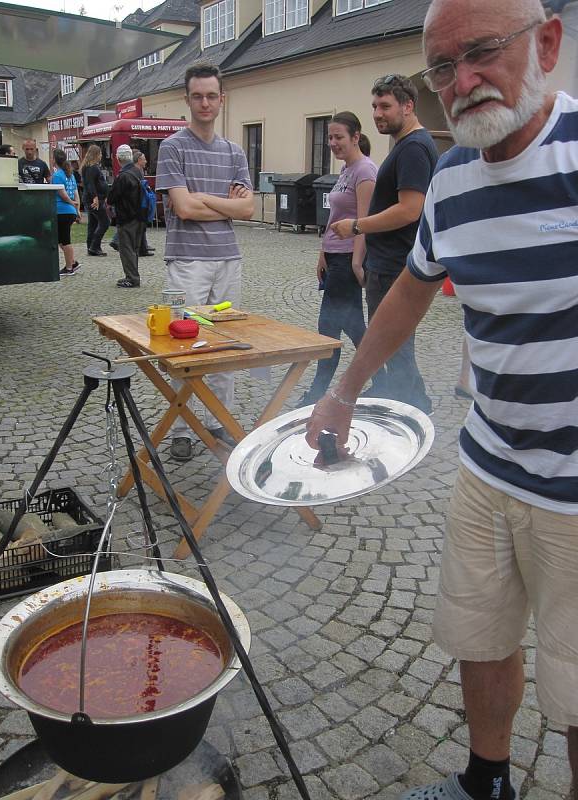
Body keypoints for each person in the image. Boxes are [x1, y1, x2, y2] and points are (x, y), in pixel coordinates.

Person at [307, 2, 578, 799]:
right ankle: (484, 782)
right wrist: (345, 391)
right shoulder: (454, 177)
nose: (463, 82)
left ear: (548, 44)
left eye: (485, 52)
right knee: (480, 635)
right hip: (488, 464)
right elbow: (411, 294)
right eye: (442, 68)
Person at [156, 61, 254, 463]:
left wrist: (206, 200)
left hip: (227, 259)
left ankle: (218, 420)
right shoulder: (172, 147)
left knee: (224, 347)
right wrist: (224, 204)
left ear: (221, 99)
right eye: (197, 96)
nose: (205, 103)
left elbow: (247, 209)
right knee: (183, 348)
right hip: (187, 261)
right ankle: (181, 428)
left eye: (212, 95)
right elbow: (182, 207)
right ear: (187, 99)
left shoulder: (233, 151)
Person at [332, 74, 438, 414]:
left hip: (395, 265)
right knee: (394, 344)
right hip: (387, 262)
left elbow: (410, 209)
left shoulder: (414, 148)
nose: (378, 113)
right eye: (375, 106)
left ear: (408, 106)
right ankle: (412, 404)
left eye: (386, 106)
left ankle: (410, 412)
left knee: (394, 344)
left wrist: (357, 226)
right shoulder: (406, 145)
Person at [297, 112, 377, 407]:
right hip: (334, 257)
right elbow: (336, 215)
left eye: (338, 137)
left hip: (347, 260)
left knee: (328, 327)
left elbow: (366, 221)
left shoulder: (365, 171)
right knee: (354, 326)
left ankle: (317, 394)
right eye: (329, 137)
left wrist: (357, 262)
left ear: (356, 136)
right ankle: (383, 381)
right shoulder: (346, 170)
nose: (332, 143)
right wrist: (322, 253)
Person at [106, 144, 146, 288]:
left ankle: (132, 278)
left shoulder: (123, 176)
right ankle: (133, 275)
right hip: (140, 215)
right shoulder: (138, 171)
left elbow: (112, 198)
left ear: (117, 158)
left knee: (126, 248)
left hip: (127, 216)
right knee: (134, 248)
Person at [109, 150, 155, 257]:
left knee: (131, 245)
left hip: (133, 212)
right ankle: (117, 241)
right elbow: (114, 197)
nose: (146, 161)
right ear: (138, 160)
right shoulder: (130, 174)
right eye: (144, 159)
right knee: (129, 247)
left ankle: (142, 248)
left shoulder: (128, 174)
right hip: (132, 212)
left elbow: (112, 197)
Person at [51, 148, 81, 276]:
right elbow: (75, 192)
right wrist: (77, 209)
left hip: (61, 210)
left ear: (54, 160)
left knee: (65, 240)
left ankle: (69, 268)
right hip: (69, 211)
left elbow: (62, 194)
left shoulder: (57, 175)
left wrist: (71, 204)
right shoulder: (70, 174)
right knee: (59, 239)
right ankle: (72, 261)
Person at [80, 144, 109, 256]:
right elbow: (90, 184)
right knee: (105, 222)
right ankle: (94, 246)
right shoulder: (92, 168)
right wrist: (95, 197)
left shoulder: (88, 167)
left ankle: (90, 246)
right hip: (94, 199)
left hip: (91, 198)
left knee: (93, 223)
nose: (101, 156)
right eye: (100, 153)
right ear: (96, 154)